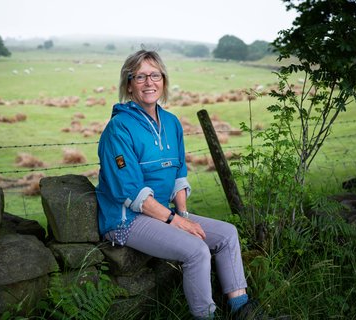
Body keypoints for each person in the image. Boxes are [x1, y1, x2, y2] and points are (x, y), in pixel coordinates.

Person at [96, 50, 262, 320]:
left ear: (163, 81)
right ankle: (205, 315)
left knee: (228, 234)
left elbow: (179, 173)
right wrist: (176, 222)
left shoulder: (172, 122)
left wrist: (182, 214)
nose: (149, 82)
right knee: (196, 250)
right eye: (140, 76)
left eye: (155, 75)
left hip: (162, 214)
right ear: (128, 84)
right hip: (126, 220)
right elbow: (128, 190)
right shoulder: (119, 128)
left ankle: (242, 309)